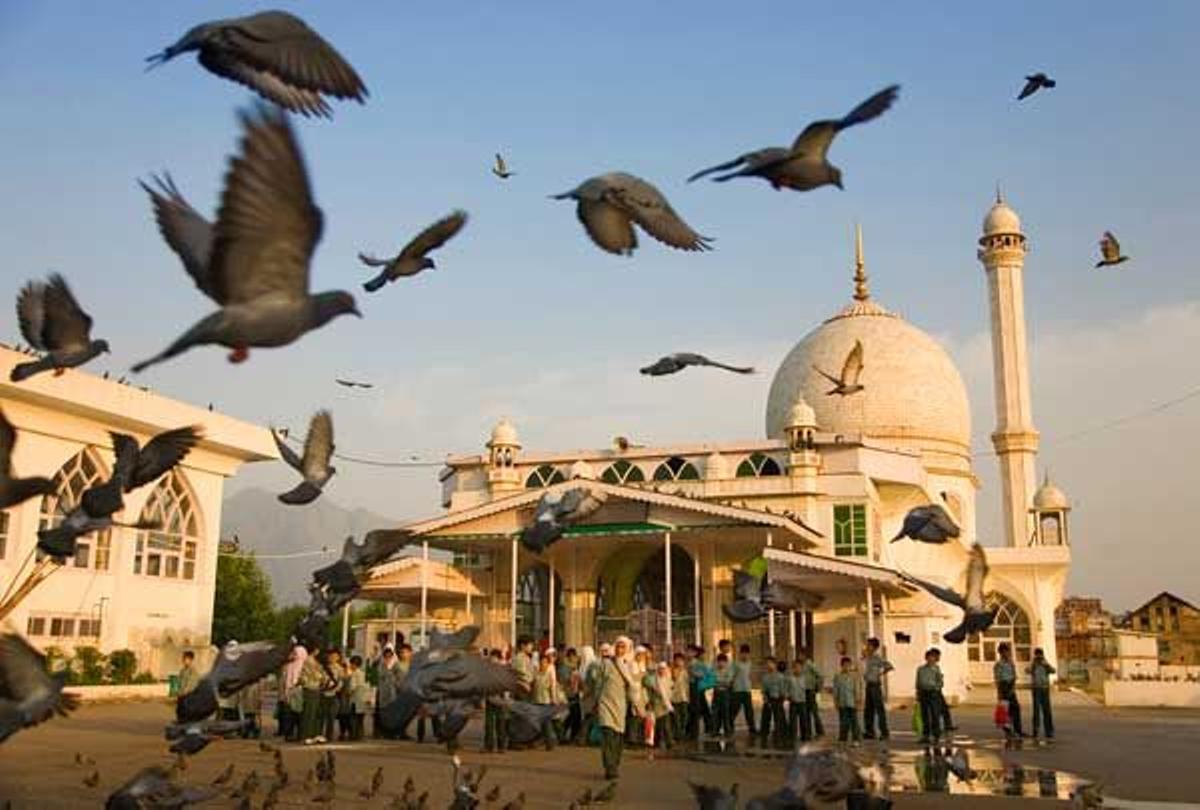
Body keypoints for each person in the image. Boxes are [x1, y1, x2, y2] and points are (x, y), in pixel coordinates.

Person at [596, 637, 636, 780]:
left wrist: (637, 706)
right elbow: (599, 684)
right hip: (605, 704)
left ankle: (614, 764)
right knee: (608, 737)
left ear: (628, 649)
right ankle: (610, 768)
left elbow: (633, 688)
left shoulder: (629, 666)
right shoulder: (606, 663)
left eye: (623, 647)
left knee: (618, 739)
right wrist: (596, 701)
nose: (620, 649)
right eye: (618, 646)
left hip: (620, 707)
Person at [861, 637, 894, 740]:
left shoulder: (877, 658)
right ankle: (869, 731)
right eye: (867, 645)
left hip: (875, 685)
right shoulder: (867, 658)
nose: (867, 647)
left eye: (869, 645)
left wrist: (880, 674)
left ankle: (884, 732)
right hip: (868, 685)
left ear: (874, 647)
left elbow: (889, 666)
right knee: (868, 709)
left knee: (879, 709)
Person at [532, 648, 562, 750]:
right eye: (541, 662)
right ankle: (547, 741)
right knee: (543, 723)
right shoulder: (537, 673)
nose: (543, 664)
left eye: (545, 662)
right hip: (537, 700)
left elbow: (552, 685)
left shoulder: (550, 671)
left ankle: (550, 742)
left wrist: (553, 699)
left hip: (546, 701)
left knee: (547, 723)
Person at [994, 642, 1024, 737]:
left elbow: (1014, 674)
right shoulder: (999, 664)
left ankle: (1018, 730)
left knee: (1015, 709)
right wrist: (1000, 692)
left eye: (1008, 651)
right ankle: (1007, 730)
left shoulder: (1011, 662)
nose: (1007, 653)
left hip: (1011, 685)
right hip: (1004, 686)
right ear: (1001, 653)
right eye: (1005, 651)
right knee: (1005, 709)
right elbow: (998, 678)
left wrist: (1013, 686)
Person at [644, 661, 674, 756]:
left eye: (663, 669)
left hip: (665, 705)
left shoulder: (667, 679)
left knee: (665, 724)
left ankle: (668, 742)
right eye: (660, 669)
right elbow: (656, 691)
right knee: (659, 725)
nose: (662, 671)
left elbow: (669, 692)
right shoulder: (653, 680)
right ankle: (660, 742)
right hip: (657, 705)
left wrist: (669, 704)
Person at [299, 647, 328, 744]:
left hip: (318, 689)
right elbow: (312, 675)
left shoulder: (318, 661)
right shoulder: (308, 661)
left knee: (318, 712)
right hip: (310, 688)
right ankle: (307, 735)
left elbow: (323, 675)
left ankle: (316, 734)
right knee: (310, 712)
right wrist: (320, 676)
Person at [483, 649, 510, 754]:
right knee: (489, 724)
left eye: (493, 657)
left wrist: (506, 698)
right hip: (489, 699)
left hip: (500, 699)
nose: (491, 659)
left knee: (500, 723)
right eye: (491, 657)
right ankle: (488, 746)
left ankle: (501, 746)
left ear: (498, 658)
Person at [915, 647, 944, 745]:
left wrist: (936, 688)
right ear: (926, 658)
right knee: (925, 716)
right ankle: (925, 736)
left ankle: (936, 736)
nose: (930, 659)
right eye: (928, 657)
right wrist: (918, 693)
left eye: (932, 657)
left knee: (935, 715)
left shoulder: (936, 669)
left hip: (933, 693)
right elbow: (918, 682)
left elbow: (940, 682)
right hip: (923, 693)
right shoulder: (921, 669)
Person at [279, 645, 307, 741]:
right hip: (289, 691)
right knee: (288, 714)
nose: (293, 655)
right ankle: (288, 734)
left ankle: (299, 734)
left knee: (298, 714)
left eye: (295, 653)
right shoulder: (288, 665)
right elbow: (284, 679)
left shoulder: (304, 665)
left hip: (299, 691)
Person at [374, 644, 402, 739]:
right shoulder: (381, 664)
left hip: (393, 691)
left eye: (390, 655)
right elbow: (378, 675)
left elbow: (400, 677)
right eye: (386, 655)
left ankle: (392, 733)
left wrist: (395, 683)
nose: (388, 657)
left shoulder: (396, 664)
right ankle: (383, 732)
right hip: (382, 691)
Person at [759, 658, 788, 749]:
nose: (768, 665)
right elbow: (763, 690)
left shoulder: (780, 676)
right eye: (767, 664)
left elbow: (783, 689)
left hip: (778, 699)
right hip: (768, 698)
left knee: (779, 718)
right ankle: (764, 734)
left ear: (775, 664)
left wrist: (783, 698)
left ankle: (780, 734)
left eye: (770, 663)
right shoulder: (765, 677)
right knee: (765, 718)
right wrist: (765, 699)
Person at [1027, 648, 1056, 739]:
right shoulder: (1033, 664)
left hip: (1045, 688)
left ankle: (1049, 731)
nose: (1039, 657)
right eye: (1037, 655)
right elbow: (1027, 670)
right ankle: (1035, 730)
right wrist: (1033, 664)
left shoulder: (1045, 664)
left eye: (1040, 655)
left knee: (1047, 710)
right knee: (1036, 711)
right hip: (1036, 689)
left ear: (1042, 655)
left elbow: (1053, 671)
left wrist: (1046, 664)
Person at [686, 645, 713, 739]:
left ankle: (694, 732)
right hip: (689, 688)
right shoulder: (688, 663)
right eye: (687, 651)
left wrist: (693, 673)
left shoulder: (697, 663)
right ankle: (692, 730)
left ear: (695, 653)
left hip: (696, 687)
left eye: (691, 652)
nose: (688, 653)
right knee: (695, 709)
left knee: (695, 710)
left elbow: (703, 674)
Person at [833, 656, 861, 745]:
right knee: (843, 722)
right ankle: (842, 738)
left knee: (854, 722)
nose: (846, 667)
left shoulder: (853, 676)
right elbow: (835, 690)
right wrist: (836, 702)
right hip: (842, 703)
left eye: (848, 665)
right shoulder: (838, 676)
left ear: (850, 666)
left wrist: (858, 701)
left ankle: (855, 739)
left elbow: (856, 689)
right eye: (844, 665)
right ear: (841, 666)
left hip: (852, 702)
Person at [730, 644, 756, 740]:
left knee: (749, 710)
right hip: (737, 690)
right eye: (743, 653)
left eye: (747, 654)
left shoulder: (750, 663)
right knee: (734, 709)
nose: (745, 655)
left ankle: (752, 728)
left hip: (747, 690)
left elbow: (750, 675)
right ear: (740, 654)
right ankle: (729, 726)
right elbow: (732, 676)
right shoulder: (735, 664)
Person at [320, 648, 345, 743]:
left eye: (334, 656)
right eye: (330, 656)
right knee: (322, 717)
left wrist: (335, 688)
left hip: (334, 695)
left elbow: (341, 682)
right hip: (323, 694)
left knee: (331, 717)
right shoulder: (324, 667)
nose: (332, 658)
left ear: (338, 657)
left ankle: (328, 736)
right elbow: (321, 679)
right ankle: (320, 735)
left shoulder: (340, 669)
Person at [559, 647, 583, 744]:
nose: (575, 658)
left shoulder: (574, 667)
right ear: (570, 656)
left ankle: (572, 735)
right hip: (568, 693)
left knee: (576, 715)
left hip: (575, 693)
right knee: (573, 714)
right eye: (574, 656)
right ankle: (563, 733)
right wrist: (573, 676)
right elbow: (565, 680)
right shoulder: (564, 667)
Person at [799, 651, 825, 739]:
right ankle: (808, 732)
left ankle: (820, 731)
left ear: (804, 656)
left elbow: (820, 675)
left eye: (801, 655)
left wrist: (817, 688)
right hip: (804, 691)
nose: (799, 657)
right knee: (806, 713)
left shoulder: (810, 664)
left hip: (810, 690)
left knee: (814, 712)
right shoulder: (801, 666)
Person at [346, 655, 370, 741]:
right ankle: (360, 735)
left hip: (355, 699)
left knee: (353, 718)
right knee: (360, 719)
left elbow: (352, 687)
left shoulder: (354, 674)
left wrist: (348, 693)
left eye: (351, 664)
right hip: (363, 699)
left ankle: (353, 735)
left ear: (353, 664)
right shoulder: (364, 673)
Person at [669, 653, 690, 743]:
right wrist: (675, 670)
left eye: (681, 660)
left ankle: (682, 733)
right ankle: (678, 735)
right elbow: (673, 680)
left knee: (684, 716)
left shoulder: (685, 671)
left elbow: (687, 684)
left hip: (684, 697)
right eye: (677, 660)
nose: (679, 662)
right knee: (676, 717)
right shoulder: (671, 670)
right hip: (674, 697)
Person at [712, 653, 733, 738]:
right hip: (716, 693)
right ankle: (715, 730)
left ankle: (727, 730)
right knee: (715, 712)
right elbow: (713, 681)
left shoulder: (728, 671)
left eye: (723, 662)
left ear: (726, 662)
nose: (721, 663)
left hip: (725, 694)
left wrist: (719, 683)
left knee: (726, 712)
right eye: (719, 662)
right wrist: (721, 683)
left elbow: (728, 683)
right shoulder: (714, 670)